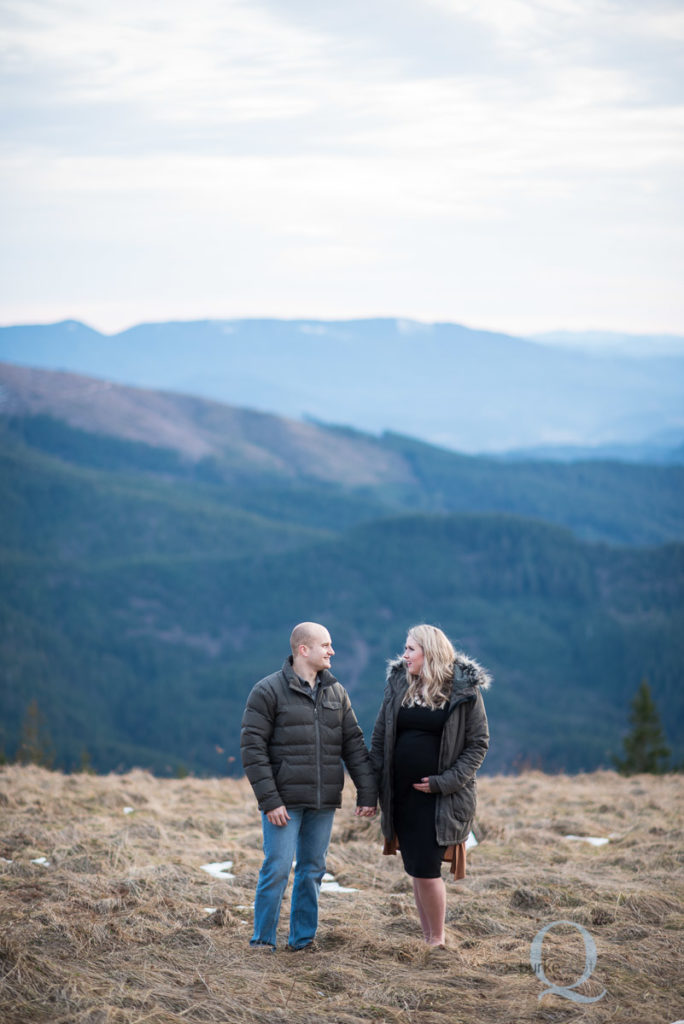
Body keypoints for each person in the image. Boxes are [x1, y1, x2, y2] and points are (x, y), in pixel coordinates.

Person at [240, 621, 377, 952]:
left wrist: (367, 792)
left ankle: (302, 942)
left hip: (323, 802)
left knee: (313, 871)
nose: (332, 651)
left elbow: (354, 746)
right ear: (304, 650)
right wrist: (270, 801)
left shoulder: (337, 693)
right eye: (326, 645)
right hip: (283, 804)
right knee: (277, 869)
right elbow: (252, 748)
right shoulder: (267, 691)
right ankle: (262, 942)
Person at [370, 624, 490, 947]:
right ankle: (428, 938)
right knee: (415, 868)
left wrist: (443, 783)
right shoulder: (399, 684)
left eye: (410, 649)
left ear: (430, 652)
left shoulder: (464, 690)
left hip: (441, 799)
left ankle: (437, 942)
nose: (404, 655)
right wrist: (372, 788)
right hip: (402, 796)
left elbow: (478, 744)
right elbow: (380, 736)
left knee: (426, 868)